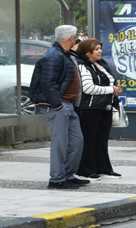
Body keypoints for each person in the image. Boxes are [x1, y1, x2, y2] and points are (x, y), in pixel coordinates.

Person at [28, 25, 88, 190]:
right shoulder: (54, 56)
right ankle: (56, 179)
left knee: (77, 140)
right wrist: (58, 105)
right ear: (71, 38)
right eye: (75, 38)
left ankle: (68, 174)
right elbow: (48, 83)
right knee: (60, 143)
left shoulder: (64, 54)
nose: (76, 40)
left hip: (68, 104)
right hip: (59, 105)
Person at [73, 38, 124, 181]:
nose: (100, 51)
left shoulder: (101, 65)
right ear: (87, 52)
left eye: (100, 48)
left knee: (102, 139)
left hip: (105, 106)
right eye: (96, 49)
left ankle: (104, 169)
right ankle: (87, 170)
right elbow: (88, 88)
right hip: (90, 108)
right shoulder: (83, 66)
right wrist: (110, 89)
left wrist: (113, 90)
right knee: (89, 140)